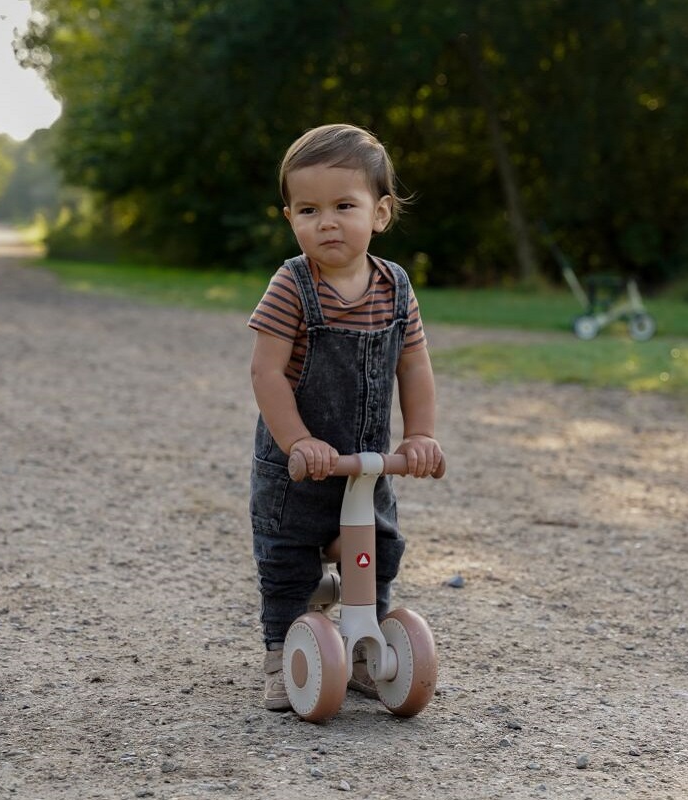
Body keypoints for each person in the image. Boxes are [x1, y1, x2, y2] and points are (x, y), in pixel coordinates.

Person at [248, 123, 443, 711]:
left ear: (379, 213)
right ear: (290, 218)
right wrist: (297, 441)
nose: (326, 221)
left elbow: (415, 365)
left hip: (366, 462)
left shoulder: (395, 286)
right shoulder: (292, 284)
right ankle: (285, 655)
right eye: (308, 209)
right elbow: (267, 372)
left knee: (378, 551)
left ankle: (364, 648)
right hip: (301, 465)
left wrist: (421, 435)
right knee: (288, 555)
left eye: (343, 206)